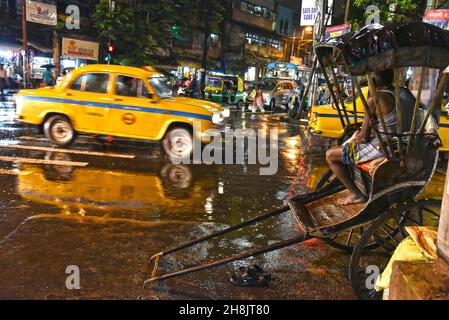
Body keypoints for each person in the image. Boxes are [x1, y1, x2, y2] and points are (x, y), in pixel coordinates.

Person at [325, 69, 397, 205]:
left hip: (381, 147)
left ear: (373, 82)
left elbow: (363, 137)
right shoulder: (398, 94)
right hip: (395, 142)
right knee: (343, 149)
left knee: (331, 155)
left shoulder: (375, 99)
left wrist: (356, 138)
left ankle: (356, 194)